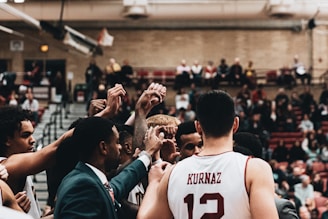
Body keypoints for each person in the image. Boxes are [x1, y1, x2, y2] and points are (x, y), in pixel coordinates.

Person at [137, 90, 279, 219]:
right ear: (235, 124)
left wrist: (154, 183)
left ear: (198, 127)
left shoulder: (173, 173)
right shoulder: (254, 169)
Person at [53, 116, 164, 219]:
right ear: (103, 147)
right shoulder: (83, 186)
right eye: (116, 142)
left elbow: (118, 185)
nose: (120, 147)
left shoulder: (86, 179)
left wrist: (148, 154)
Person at [0, 105, 73, 218]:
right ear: (7, 140)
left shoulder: (23, 170)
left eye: (32, 134)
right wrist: (100, 117)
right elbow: (57, 148)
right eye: (25, 135)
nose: (33, 140)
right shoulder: (6, 167)